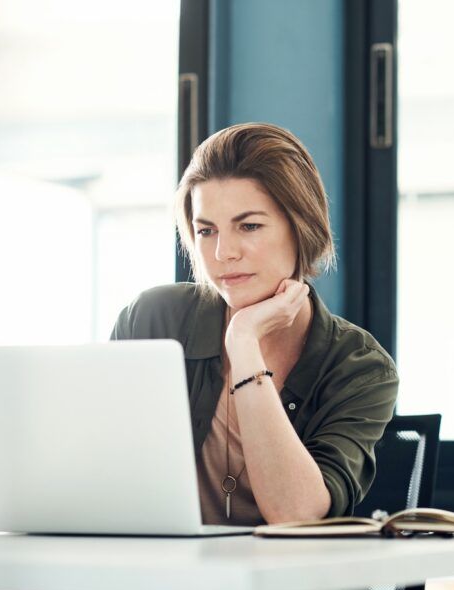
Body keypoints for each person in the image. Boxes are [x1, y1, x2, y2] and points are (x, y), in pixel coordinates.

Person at [110, 122, 398, 526]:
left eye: (249, 226)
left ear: (302, 228)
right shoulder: (154, 320)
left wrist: (244, 344)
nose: (223, 252)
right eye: (206, 231)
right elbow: (99, 472)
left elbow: (295, 514)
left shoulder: (359, 367)